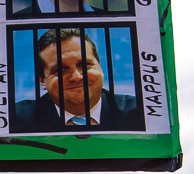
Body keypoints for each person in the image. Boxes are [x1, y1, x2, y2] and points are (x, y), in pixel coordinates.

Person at [12, 28, 141, 133]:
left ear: (100, 68)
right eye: (60, 70)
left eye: (85, 65)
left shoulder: (140, 112)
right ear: (42, 81)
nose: (77, 77)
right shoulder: (15, 119)